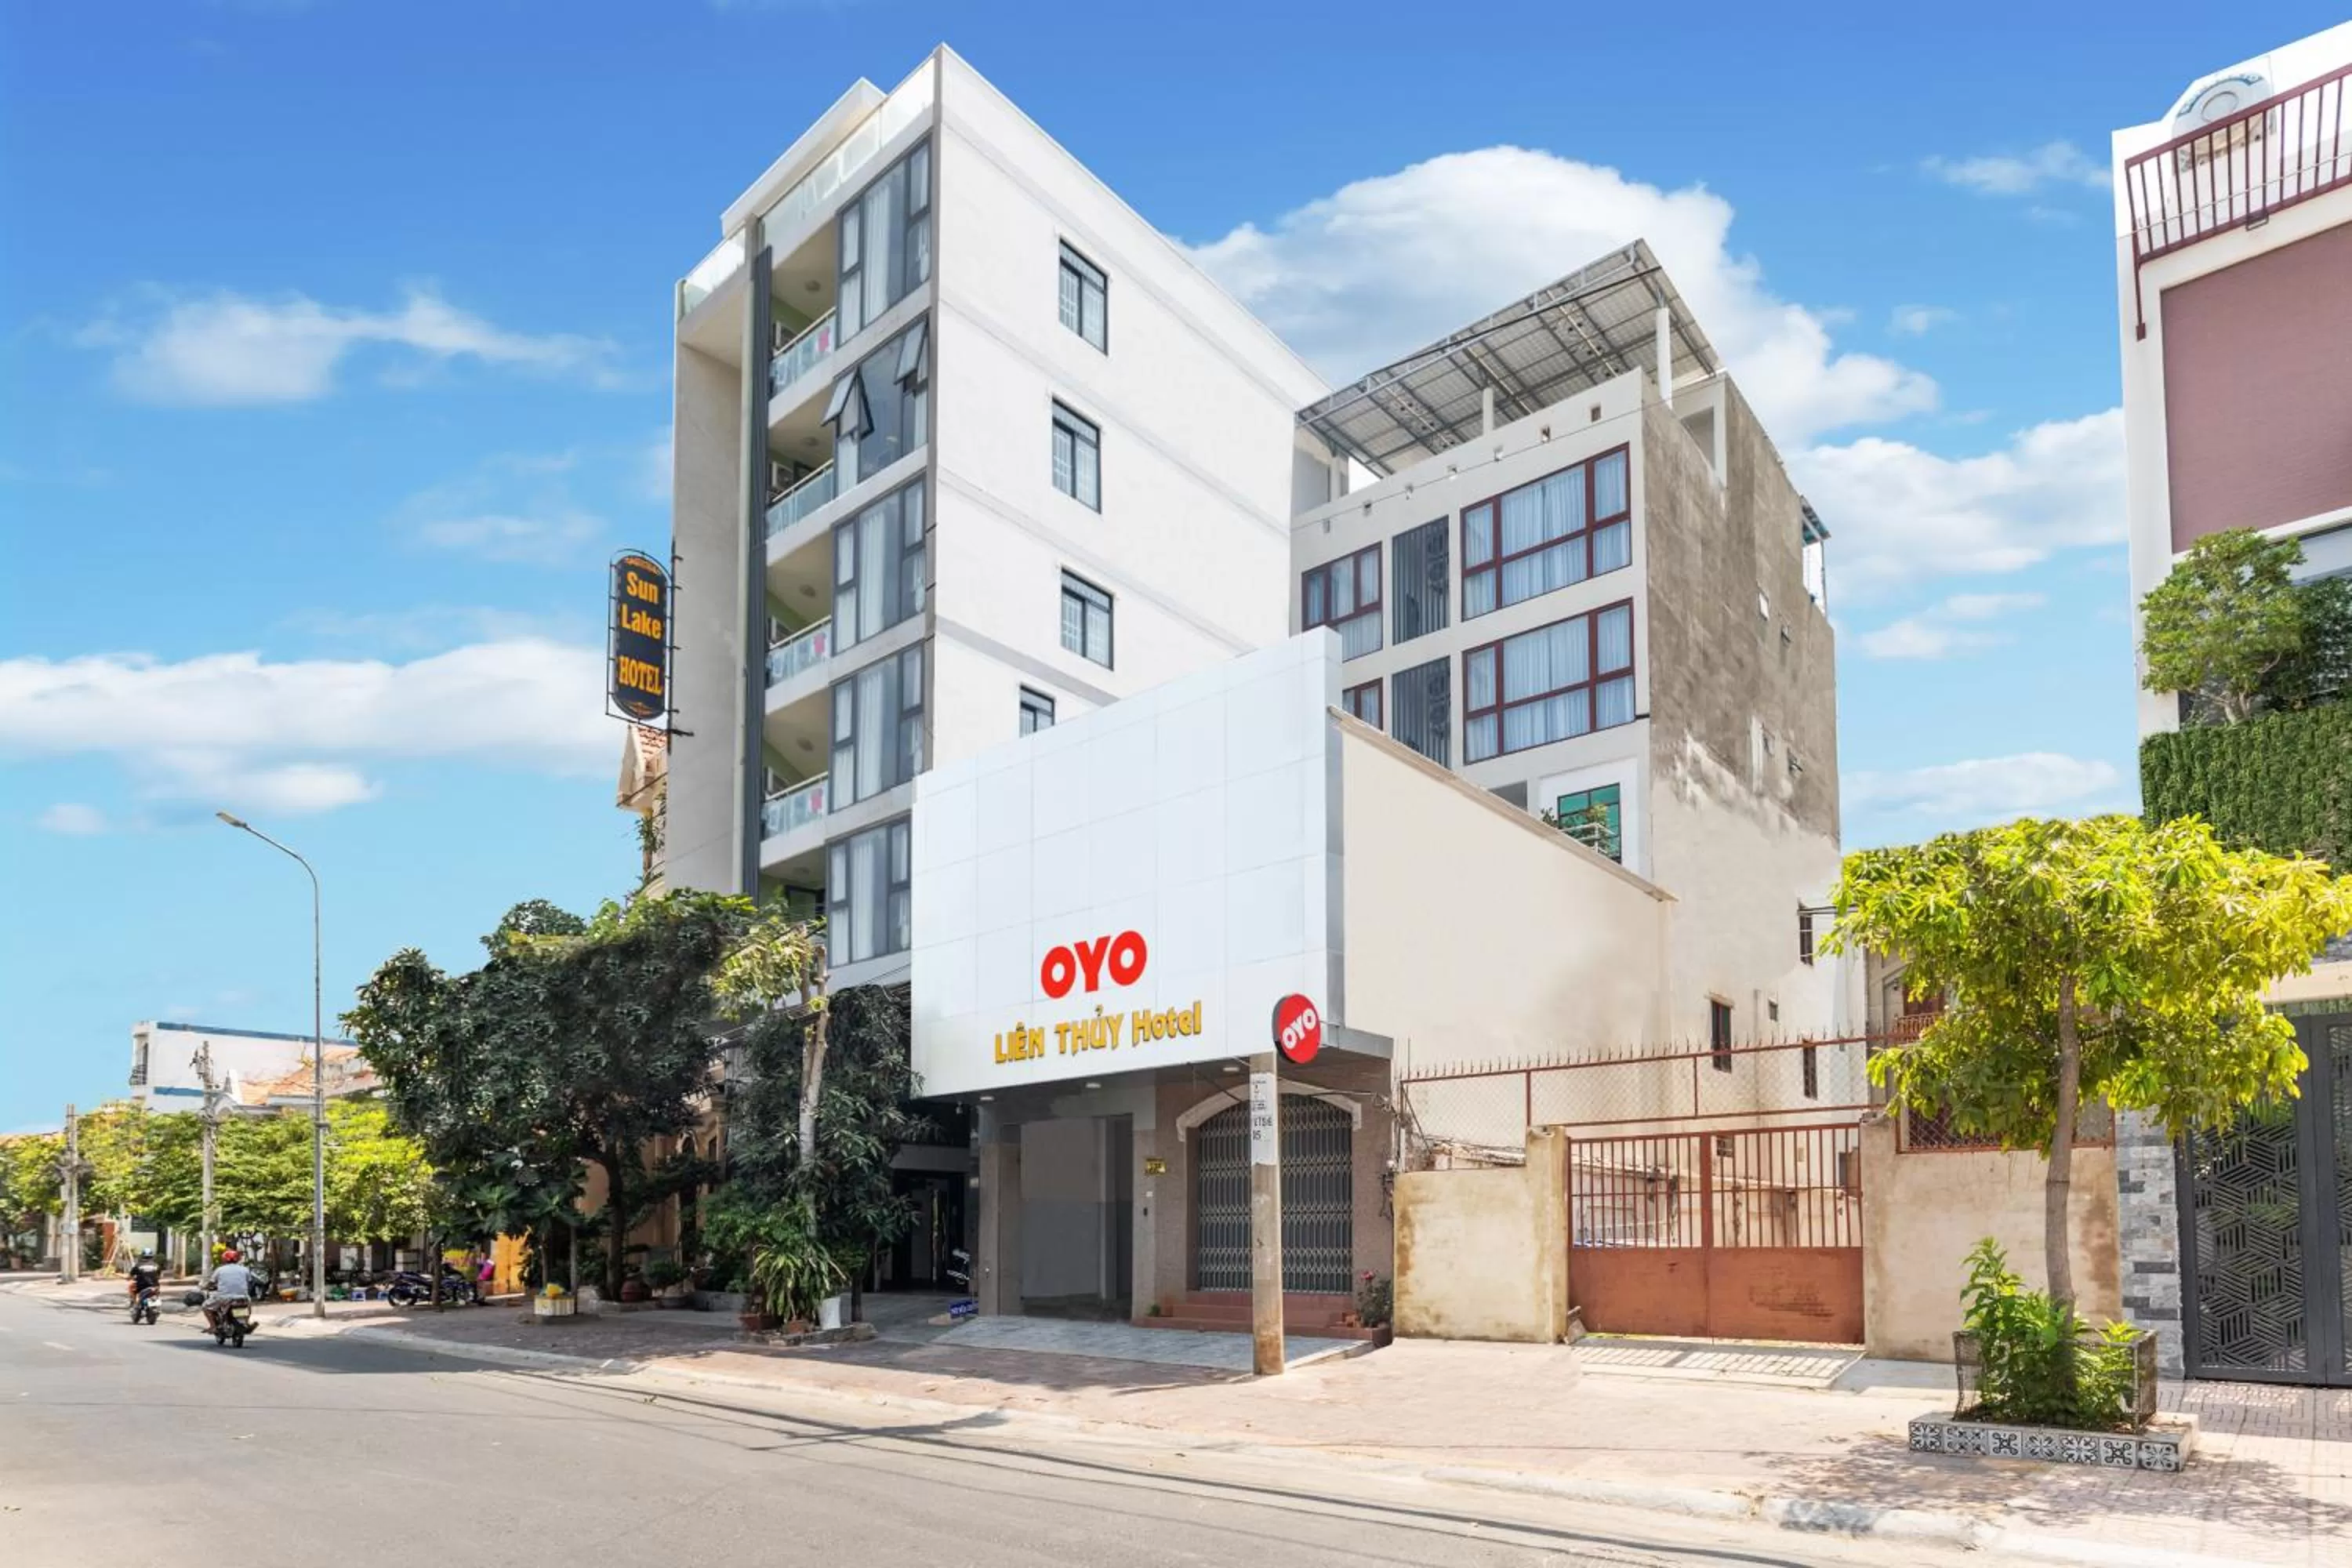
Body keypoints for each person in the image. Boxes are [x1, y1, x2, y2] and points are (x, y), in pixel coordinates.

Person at [205, 1248, 256, 1329]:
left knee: (205, 1307)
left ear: (224, 1260)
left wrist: (206, 1287)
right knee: (248, 1306)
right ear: (237, 1259)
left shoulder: (220, 1270)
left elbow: (211, 1282)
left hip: (224, 1298)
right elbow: (250, 1281)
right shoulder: (244, 1269)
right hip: (243, 1297)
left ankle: (213, 1326)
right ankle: (246, 1323)